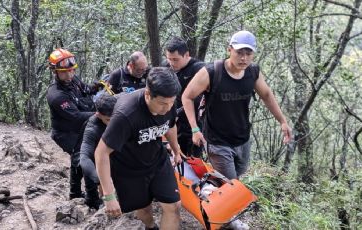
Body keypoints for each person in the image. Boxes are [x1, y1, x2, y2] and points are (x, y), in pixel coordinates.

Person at [182, 30, 292, 180]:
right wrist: (195, 129)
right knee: (231, 184)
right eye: (240, 52)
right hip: (217, 141)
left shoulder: (253, 72)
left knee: (236, 177)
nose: (244, 58)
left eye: (248, 53)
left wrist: (282, 121)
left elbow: (266, 95)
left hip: (242, 139)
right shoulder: (212, 72)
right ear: (229, 50)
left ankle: (210, 191)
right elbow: (187, 96)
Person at [95, 67, 183, 230]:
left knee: (174, 206)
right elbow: (101, 153)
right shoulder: (126, 114)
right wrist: (109, 195)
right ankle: (151, 227)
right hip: (129, 170)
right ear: (148, 94)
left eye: (171, 102)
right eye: (163, 103)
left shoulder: (168, 101)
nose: (168, 107)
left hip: (157, 161)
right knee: (144, 210)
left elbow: (170, 125)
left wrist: (176, 149)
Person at [46, 48, 98, 200]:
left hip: (80, 129)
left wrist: (96, 87)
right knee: (85, 159)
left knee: (79, 159)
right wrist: (100, 115)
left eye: (71, 71)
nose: (69, 75)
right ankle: (92, 198)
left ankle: (75, 193)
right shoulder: (56, 95)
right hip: (65, 133)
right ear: (55, 72)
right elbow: (76, 116)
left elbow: (86, 90)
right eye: (64, 72)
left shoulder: (73, 80)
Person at [164, 36, 205, 157]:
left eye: (175, 59)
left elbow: (202, 98)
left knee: (193, 161)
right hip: (171, 124)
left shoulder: (199, 69)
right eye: (169, 59)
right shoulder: (165, 67)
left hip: (194, 124)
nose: (172, 63)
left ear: (186, 55)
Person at [79, 93, 117, 210]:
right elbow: (84, 158)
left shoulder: (122, 109)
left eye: (114, 119)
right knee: (84, 165)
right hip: (96, 157)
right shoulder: (92, 128)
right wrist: (100, 179)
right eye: (108, 120)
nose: (112, 123)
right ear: (98, 115)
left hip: (116, 153)